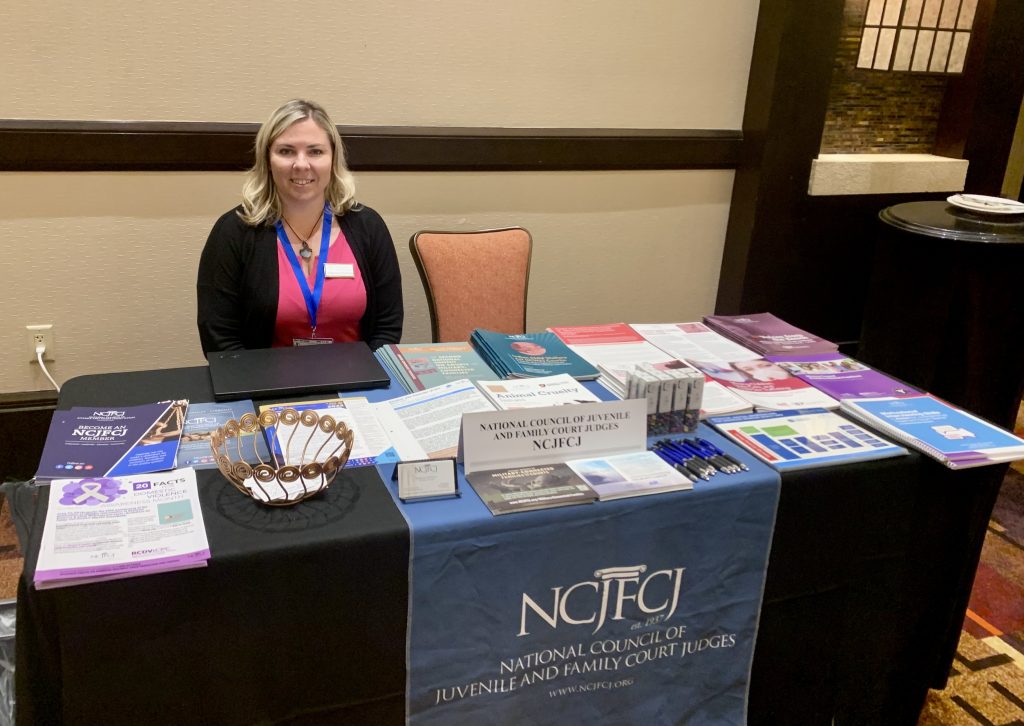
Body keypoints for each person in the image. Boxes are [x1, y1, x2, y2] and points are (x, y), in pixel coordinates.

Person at [197, 99, 403, 354]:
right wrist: (254, 380)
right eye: (286, 151)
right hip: (261, 378)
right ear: (267, 159)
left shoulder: (368, 227)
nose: (301, 164)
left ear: (333, 159)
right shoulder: (234, 232)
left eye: (315, 151)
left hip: (358, 376)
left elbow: (387, 326)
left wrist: (365, 375)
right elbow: (219, 336)